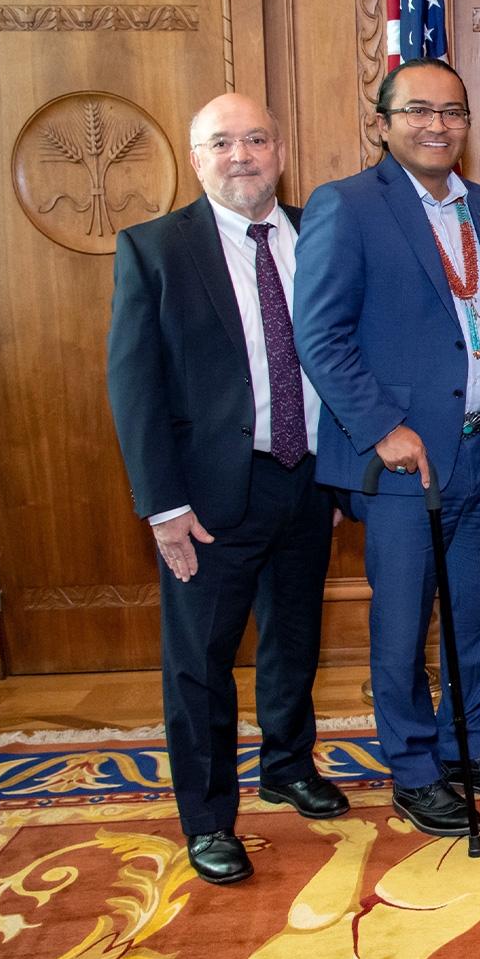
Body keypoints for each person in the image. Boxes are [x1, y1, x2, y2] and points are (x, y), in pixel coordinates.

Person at [294, 57, 480, 840]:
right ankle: (411, 770)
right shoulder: (345, 206)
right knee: (403, 625)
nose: (437, 125)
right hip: (405, 461)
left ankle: (462, 744)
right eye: (418, 111)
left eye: (452, 112)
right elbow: (321, 335)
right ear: (383, 121)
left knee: (478, 616)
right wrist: (380, 428)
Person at [107, 93, 348, 885]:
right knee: (201, 660)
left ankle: (287, 763)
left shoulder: (322, 232)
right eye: (222, 142)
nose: (240, 154)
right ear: (196, 155)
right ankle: (208, 818)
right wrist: (162, 506)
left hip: (308, 477)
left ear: (280, 150)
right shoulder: (154, 249)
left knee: (294, 637)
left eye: (255, 139)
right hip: (210, 494)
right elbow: (134, 386)